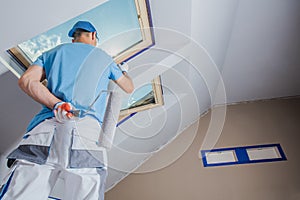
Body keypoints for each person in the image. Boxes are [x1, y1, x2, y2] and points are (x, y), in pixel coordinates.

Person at [0, 21, 134, 200]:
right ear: (93, 35)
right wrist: (124, 71)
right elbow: (129, 87)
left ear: (74, 37)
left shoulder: (52, 53)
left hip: (46, 131)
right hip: (86, 136)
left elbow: (26, 81)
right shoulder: (104, 58)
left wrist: (57, 104)